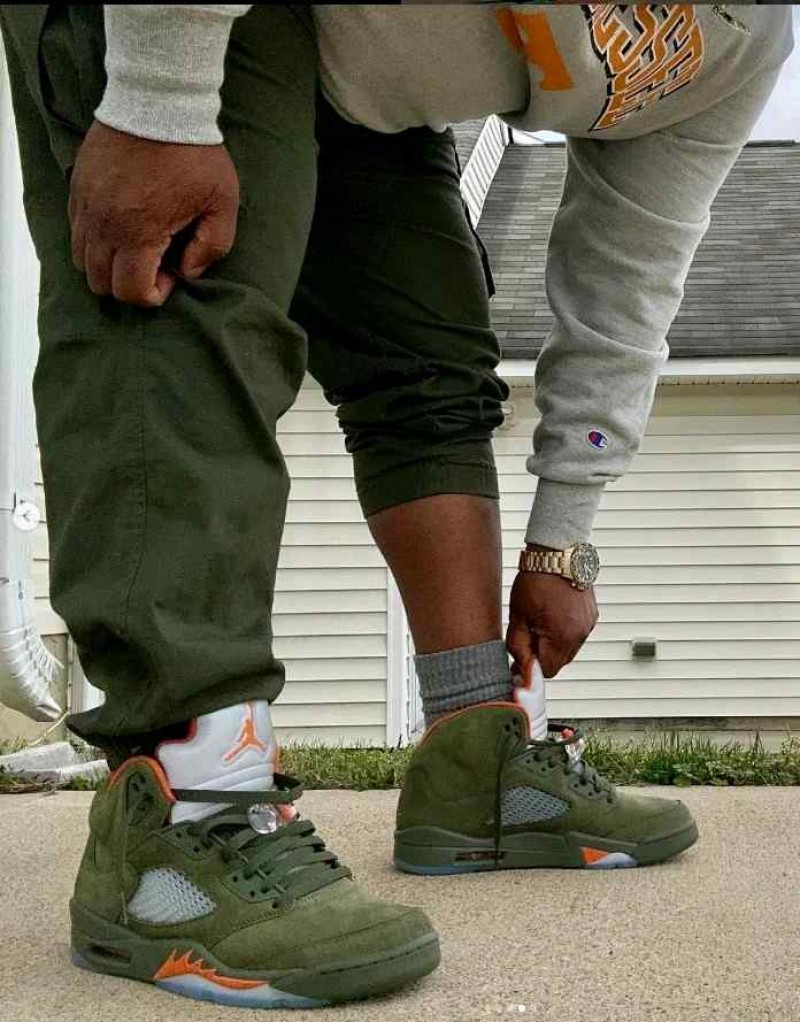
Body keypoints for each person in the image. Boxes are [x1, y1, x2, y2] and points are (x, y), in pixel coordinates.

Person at [0, 2, 792, 1009]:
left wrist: (562, 542)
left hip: (367, 92)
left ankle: (477, 764)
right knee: (183, 271)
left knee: (431, 359)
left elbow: (629, 279)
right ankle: (183, 808)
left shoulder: (741, 46)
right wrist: (159, 93)